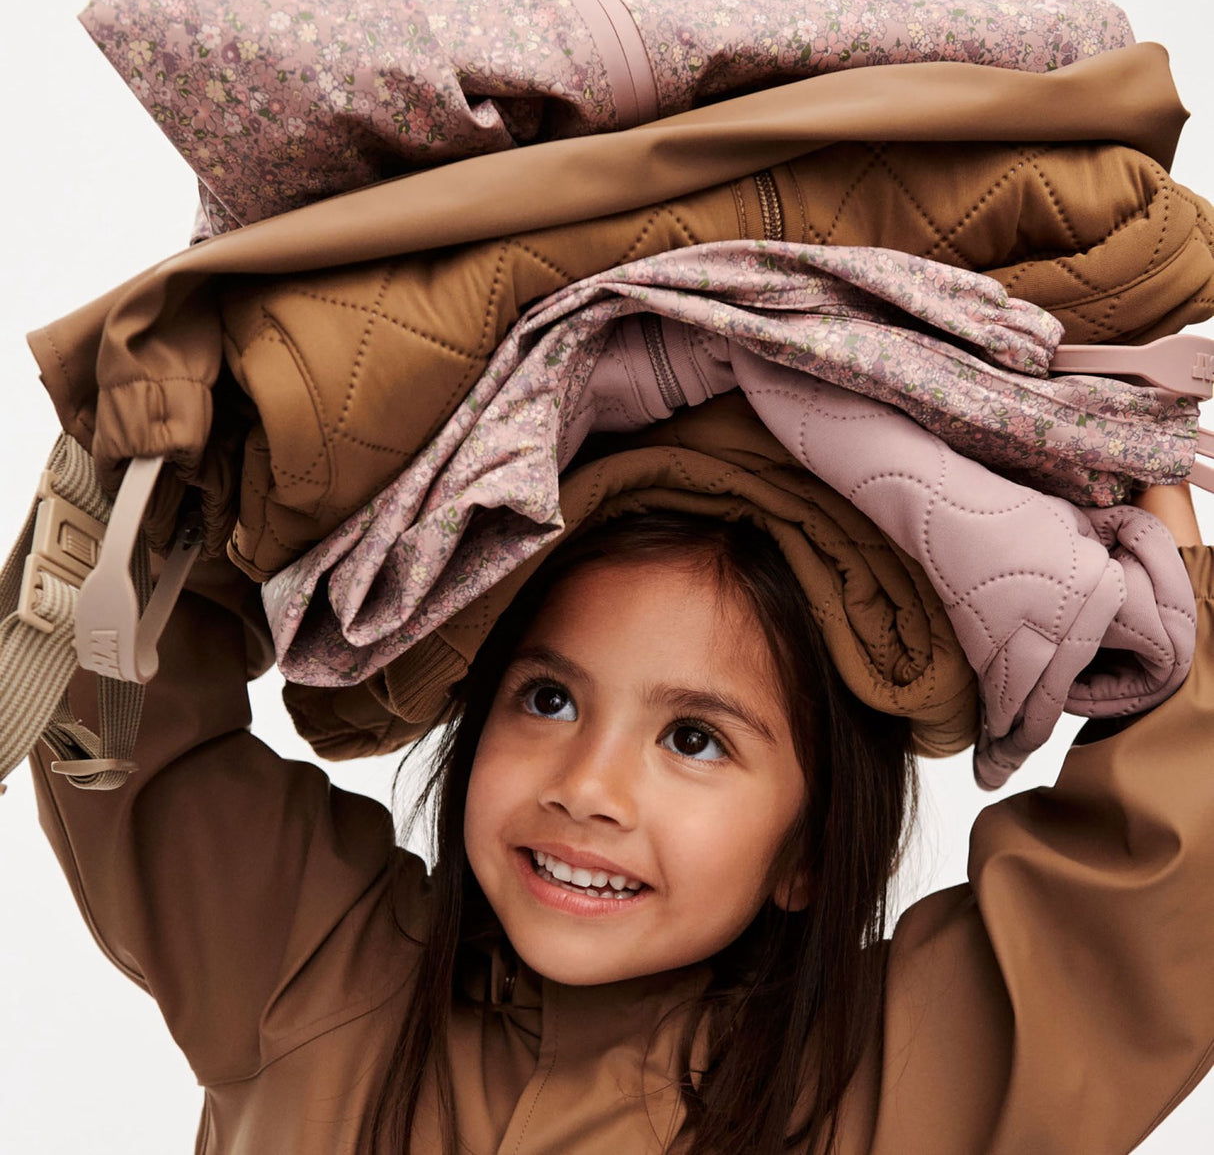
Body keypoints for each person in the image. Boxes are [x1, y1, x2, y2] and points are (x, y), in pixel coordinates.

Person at [29, 485, 1213, 1154]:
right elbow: (112, 714)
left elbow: (1146, 902)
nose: (588, 785)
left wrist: (1181, 597)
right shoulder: (311, 964)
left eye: (693, 737)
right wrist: (196, 473)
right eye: (546, 697)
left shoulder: (885, 1084)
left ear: (806, 849)